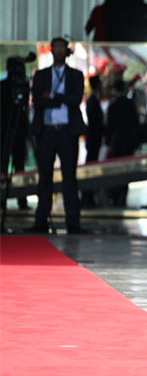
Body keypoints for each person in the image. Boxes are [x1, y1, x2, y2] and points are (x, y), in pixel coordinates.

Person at [31, 38, 87, 234]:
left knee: (69, 178)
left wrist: (53, 97)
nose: (59, 51)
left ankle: (73, 222)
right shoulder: (41, 75)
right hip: (46, 131)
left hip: (67, 132)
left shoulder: (76, 75)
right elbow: (38, 101)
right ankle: (41, 221)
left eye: (62, 48)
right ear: (51, 50)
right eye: (56, 48)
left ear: (67, 51)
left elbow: (75, 100)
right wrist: (62, 99)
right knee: (44, 178)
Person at [1, 54, 32, 211]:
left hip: (19, 131)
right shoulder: (3, 86)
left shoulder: (24, 86)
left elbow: (24, 107)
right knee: (3, 167)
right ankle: (1, 199)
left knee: (20, 167)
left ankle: (22, 199)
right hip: (4, 131)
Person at [105, 78, 139, 207]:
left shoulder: (113, 105)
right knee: (127, 170)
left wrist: (108, 141)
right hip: (128, 142)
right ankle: (123, 194)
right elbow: (135, 124)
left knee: (116, 169)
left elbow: (110, 125)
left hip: (117, 141)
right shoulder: (130, 104)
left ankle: (115, 195)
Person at [81, 74, 104, 208]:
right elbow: (95, 123)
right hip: (93, 139)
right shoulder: (92, 101)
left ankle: (88, 197)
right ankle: (87, 197)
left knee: (91, 166)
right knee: (91, 167)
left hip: (93, 139)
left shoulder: (93, 100)